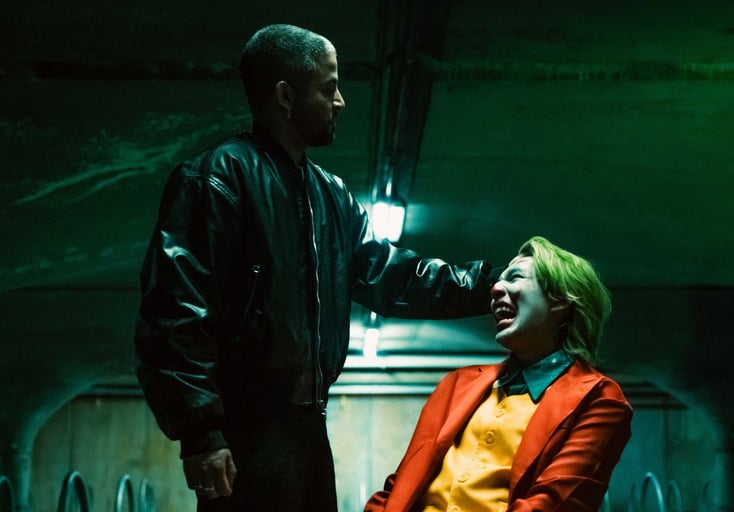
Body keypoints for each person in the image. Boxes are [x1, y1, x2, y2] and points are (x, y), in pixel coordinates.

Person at [133, 23, 498, 512]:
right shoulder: (217, 179)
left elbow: (392, 275)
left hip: (308, 425)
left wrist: (491, 285)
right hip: (246, 430)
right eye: (329, 88)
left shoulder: (330, 194)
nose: (340, 101)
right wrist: (200, 432)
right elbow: (175, 310)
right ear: (286, 96)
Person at [365, 236, 633, 512]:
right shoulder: (457, 383)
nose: (494, 288)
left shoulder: (599, 398)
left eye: (515, 277)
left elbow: (554, 502)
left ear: (560, 299)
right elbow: (400, 485)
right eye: (499, 280)